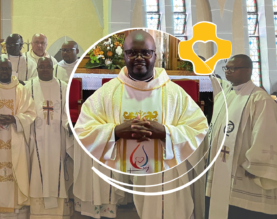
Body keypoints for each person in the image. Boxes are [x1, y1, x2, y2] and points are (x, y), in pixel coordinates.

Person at [73, 30, 208, 219]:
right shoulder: (108, 92)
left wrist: (166, 133)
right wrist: (115, 131)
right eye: (132, 53)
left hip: (161, 176)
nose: (139, 58)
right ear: (124, 56)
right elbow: (82, 130)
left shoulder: (173, 94)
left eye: (145, 52)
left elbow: (199, 129)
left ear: (155, 55)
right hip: (118, 174)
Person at [205, 54, 277, 219]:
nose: (227, 72)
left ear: (248, 71)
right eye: (226, 68)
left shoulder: (260, 99)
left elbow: (266, 134)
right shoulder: (223, 96)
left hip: (247, 174)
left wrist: (257, 165)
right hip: (221, 170)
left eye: (232, 68)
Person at [25, 57, 77, 219]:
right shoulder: (28, 87)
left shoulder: (63, 87)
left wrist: (69, 123)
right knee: (35, 169)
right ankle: (37, 212)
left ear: (53, 68)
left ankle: (57, 212)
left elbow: (69, 111)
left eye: (48, 67)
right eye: (42, 67)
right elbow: (24, 110)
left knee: (58, 166)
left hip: (57, 137)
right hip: (35, 138)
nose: (45, 69)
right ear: (37, 68)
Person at [0, 57, 36, 219]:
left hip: (15, 139)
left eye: (7, 69)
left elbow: (30, 113)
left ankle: (16, 210)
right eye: (1, 69)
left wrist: (15, 119)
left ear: (11, 71)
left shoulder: (21, 90)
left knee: (16, 171)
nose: (4, 72)